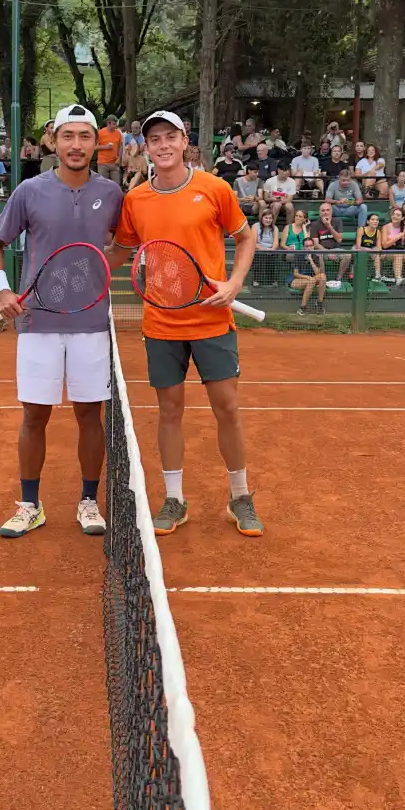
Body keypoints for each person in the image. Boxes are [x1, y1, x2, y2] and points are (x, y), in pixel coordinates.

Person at [106, 109, 263, 539]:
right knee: (169, 410)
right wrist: (83, 265)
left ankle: (240, 496)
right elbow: (120, 251)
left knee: (227, 409)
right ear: (146, 147)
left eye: (169, 137)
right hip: (161, 324)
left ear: (184, 139)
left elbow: (245, 236)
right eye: (154, 139)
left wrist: (234, 282)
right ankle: (174, 499)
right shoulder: (136, 199)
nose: (163, 145)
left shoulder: (214, 188)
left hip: (212, 320)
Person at [0, 104, 123, 539]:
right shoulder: (29, 191)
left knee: (89, 415)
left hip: (92, 323)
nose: (76, 145)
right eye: (68, 136)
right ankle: (30, 504)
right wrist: (3, 290)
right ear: (53, 141)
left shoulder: (114, 195)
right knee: (34, 416)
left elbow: (120, 248)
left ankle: (88, 502)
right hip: (37, 323)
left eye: (84, 136)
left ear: (96, 142)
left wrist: (93, 268)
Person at [310, 201, 350, 286]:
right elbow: (316, 244)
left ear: (331, 212)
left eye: (328, 210)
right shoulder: (314, 224)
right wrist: (327, 252)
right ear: (320, 212)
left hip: (336, 249)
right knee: (318, 255)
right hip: (322, 250)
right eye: (323, 210)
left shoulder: (337, 221)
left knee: (348, 255)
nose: (325, 212)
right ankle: (323, 280)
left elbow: (339, 239)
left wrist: (329, 226)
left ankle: (338, 279)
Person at [381, 207, 405, 286]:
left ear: (402, 218)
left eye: (398, 215)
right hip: (387, 252)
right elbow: (384, 245)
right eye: (394, 214)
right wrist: (399, 236)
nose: (395, 216)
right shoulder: (386, 227)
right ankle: (398, 279)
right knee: (399, 254)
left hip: (400, 250)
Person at [291, 236, 326, 316]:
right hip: (296, 281)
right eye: (307, 246)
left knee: (322, 276)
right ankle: (302, 308)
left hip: (311, 280)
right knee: (312, 280)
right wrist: (308, 277)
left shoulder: (315, 256)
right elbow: (295, 274)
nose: (309, 248)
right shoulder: (298, 255)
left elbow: (317, 273)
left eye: (310, 246)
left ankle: (319, 303)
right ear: (303, 247)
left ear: (313, 246)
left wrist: (311, 260)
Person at [251, 208, 279, 286]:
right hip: (259, 249)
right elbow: (253, 242)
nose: (268, 220)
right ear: (262, 218)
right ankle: (256, 279)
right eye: (266, 218)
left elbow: (276, 242)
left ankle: (272, 279)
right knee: (259, 255)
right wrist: (264, 249)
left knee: (273, 255)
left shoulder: (275, 228)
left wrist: (272, 249)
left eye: (270, 218)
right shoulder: (255, 226)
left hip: (271, 250)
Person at [354, 212, 383, 282]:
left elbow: (379, 247)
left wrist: (377, 250)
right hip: (359, 249)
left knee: (377, 255)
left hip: (371, 251)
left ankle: (377, 275)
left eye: (377, 220)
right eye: (373, 219)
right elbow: (358, 246)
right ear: (368, 221)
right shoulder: (361, 229)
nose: (375, 221)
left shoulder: (378, 232)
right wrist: (372, 250)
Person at [96, 115, 123, 185]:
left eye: (116, 123)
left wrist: (119, 158)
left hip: (115, 163)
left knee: (116, 185)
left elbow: (120, 146)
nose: (115, 126)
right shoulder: (100, 133)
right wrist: (105, 147)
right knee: (103, 186)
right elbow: (94, 147)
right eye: (114, 124)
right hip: (103, 164)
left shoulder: (118, 133)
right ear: (108, 123)